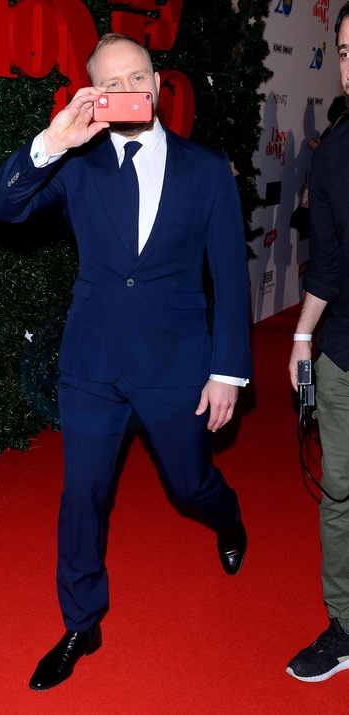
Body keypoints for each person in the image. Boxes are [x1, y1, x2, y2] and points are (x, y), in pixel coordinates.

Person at [0, 33, 252, 692]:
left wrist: (228, 371)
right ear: (94, 95)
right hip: (93, 363)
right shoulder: (76, 164)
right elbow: (4, 206)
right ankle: (82, 622)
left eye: (137, 75)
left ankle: (227, 515)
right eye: (111, 82)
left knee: (190, 485)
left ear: (158, 83)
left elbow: (229, 276)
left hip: (175, 363)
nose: (128, 88)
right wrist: (53, 142)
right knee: (83, 495)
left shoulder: (205, 168)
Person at [287, 2, 349, 683]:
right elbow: (327, 265)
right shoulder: (333, 154)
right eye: (348, 51)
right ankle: (345, 625)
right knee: (340, 495)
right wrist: (302, 335)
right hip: (345, 354)